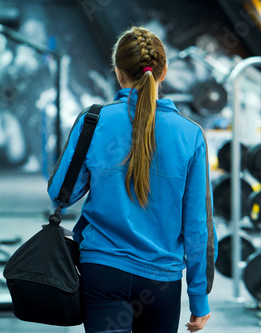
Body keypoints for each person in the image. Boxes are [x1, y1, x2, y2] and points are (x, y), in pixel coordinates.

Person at [48, 26, 217, 333]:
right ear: (163, 72)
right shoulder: (190, 134)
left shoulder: (94, 121)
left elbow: (61, 193)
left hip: (103, 271)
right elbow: (197, 226)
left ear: (118, 73)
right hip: (160, 281)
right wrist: (198, 297)